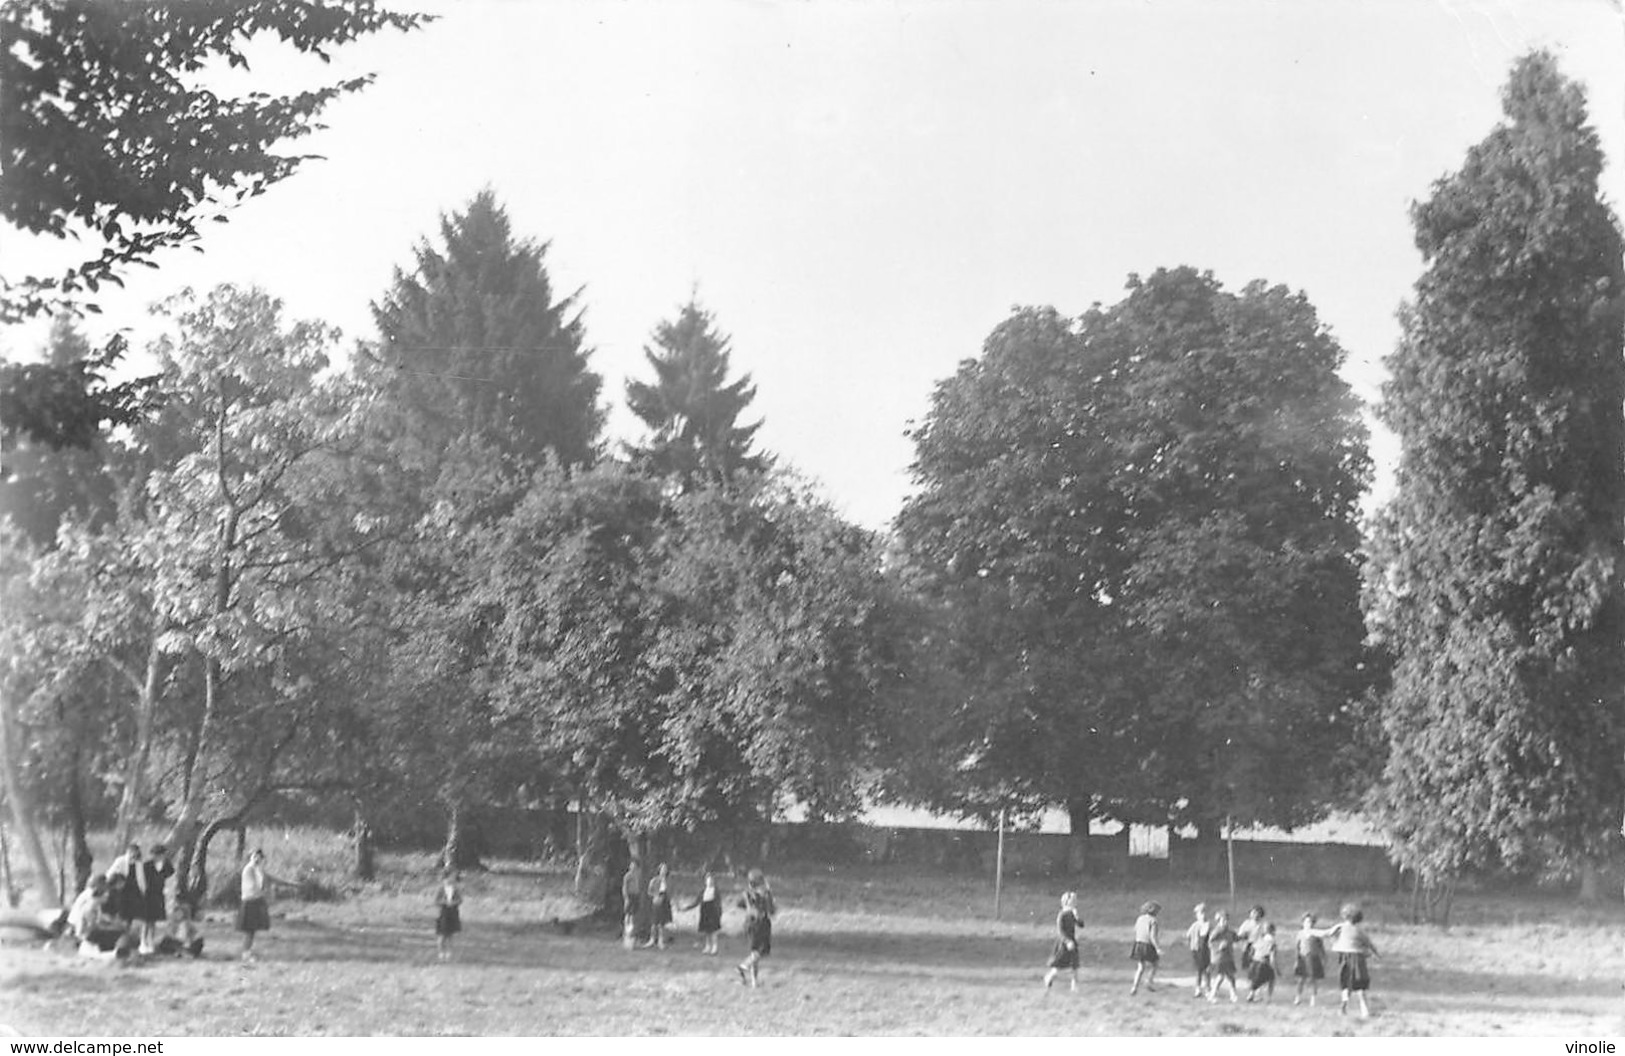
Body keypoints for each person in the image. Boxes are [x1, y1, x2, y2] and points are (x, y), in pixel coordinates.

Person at [1324, 903, 1379, 1018]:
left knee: (1346, 984)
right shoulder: (1359, 931)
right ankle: (1365, 1011)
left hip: (1344, 958)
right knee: (1361, 986)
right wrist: (1376, 954)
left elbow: (1328, 934)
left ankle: (1344, 1006)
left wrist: (1310, 931)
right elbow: (1369, 944)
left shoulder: (1340, 927)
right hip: (1358, 959)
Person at [237, 848, 291, 963]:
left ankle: (247, 952)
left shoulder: (258, 870)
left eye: (260, 857)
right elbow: (253, 887)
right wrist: (268, 892)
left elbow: (272, 879)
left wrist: (291, 884)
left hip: (256, 900)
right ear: (251, 857)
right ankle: (246, 954)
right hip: (249, 901)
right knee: (249, 930)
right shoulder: (249, 869)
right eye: (255, 856)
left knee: (252, 930)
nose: (257, 858)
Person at [736, 868, 775, 988]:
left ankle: (754, 982)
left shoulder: (746, 892)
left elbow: (739, 903)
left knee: (754, 952)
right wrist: (769, 894)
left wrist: (750, 908)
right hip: (761, 923)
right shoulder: (764, 894)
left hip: (749, 923)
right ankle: (744, 966)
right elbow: (771, 910)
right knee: (761, 951)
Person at [1043, 891, 1083, 991]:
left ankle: (1074, 986)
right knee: (1058, 966)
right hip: (1064, 944)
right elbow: (1060, 931)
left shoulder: (1072, 914)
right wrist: (1067, 941)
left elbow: (1081, 925)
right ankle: (1049, 977)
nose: (1074, 903)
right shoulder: (1062, 915)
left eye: (1075, 901)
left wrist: (1077, 917)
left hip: (1073, 942)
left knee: (1075, 965)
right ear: (1066, 902)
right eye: (1072, 901)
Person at [1206, 910, 1241, 1004]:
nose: (1225, 922)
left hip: (1228, 957)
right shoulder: (1217, 931)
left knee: (1231, 977)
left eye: (1226, 920)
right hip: (1219, 957)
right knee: (1221, 976)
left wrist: (1243, 935)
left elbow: (1236, 938)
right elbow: (1210, 943)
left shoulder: (1230, 931)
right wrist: (1219, 946)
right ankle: (1212, 994)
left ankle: (1233, 995)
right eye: (1223, 920)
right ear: (1218, 921)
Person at [1129, 900, 1161, 995]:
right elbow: (1153, 936)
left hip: (1138, 944)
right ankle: (1149, 982)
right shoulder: (1153, 921)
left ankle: (1134, 987)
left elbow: (1136, 929)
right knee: (1155, 964)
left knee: (1140, 967)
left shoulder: (1140, 918)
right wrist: (1157, 948)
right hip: (1148, 945)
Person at [1293, 913, 1326, 1006]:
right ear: (1303, 922)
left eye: (1311, 922)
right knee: (1301, 979)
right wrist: (1296, 960)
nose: (1309, 924)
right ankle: (1298, 997)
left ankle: (1313, 999)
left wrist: (1324, 959)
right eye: (1307, 921)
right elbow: (1297, 947)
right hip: (1302, 958)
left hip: (1313, 958)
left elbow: (1321, 948)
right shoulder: (1300, 934)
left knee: (1313, 979)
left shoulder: (1316, 934)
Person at [1185, 902, 1213, 998]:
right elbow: (1188, 935)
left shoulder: (1207, 924)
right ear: (1197, 915)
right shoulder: (1195, 925)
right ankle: (1198, 988)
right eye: (1200, 913)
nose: (1202, 915)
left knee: (1207, 970)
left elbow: (1205, 934)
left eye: (1204, 913)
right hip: (1197, 949)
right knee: (1199, 970)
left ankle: (1208, 988)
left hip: (1206, 949)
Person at [434, 868, 463, 961]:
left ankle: (449, 952)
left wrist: (454, 902)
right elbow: (436, 901)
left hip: (453, 913)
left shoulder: (455, 888)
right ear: (446, 878)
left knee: (450, 934)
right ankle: (441, 952)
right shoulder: (440, 889)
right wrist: (445, 902)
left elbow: (460, 900)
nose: (453, 878)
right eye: (452, 876)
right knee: (442, 935)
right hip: (443, 913)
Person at [1246, 922, 1278, 1002]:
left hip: (1255, 962)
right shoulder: (1272, 941)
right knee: (1271, 979)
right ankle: (1268, 997)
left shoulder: (1259, 939)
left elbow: (1251, 952)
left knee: (1256, 980)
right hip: (1264, 963)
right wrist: (1275, 968)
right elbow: (1272, 956)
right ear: (1273, 931)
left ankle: (1252, 994)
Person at [644, 862, 673, 949]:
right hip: (657, 901)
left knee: (662, 923)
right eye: (662, 869)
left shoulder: (668, 880)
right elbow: (649, 891)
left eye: (665, 869)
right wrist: (655, 895)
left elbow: (670, 891)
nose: (664, 871)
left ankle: (661, 941)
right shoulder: (654, 880)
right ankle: (652, 939)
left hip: (665, 901)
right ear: (659, 870)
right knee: (654, 922)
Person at [694, 871, 723, 956]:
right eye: (708, 880)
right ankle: (708, 946)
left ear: (713, 881)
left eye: (711, 880)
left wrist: (719, 912)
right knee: (707, 931)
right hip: (705, 911)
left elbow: (719, 902)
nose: (709, 882)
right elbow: (696, 902)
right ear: (705, 881)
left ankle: (715, 947)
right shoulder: (703, 891)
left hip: (713, 911)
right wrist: (685, 908)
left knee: (713, 931)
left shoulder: (715, 890)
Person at [1236, 903, 1267, 974]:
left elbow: (1264, 936)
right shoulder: (1246, 923)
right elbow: (1239, 935)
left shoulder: (1262, 925)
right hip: (1248, 945)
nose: (1254, 914)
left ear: (1260, 915)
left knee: (1256, 964)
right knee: (1246, 963)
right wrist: (1243, 936)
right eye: (1252, 912)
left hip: (1258, 946)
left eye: (1256, 913)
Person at [620, 858, 644, 949]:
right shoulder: (627, 876)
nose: (633, 867)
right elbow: (624, 888)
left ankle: (633, 937)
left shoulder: (638, 875)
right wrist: (626, 898)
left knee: (635, 916)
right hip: (630, 896)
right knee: (628, 915)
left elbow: (639, 887)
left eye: (634, 865)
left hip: (636, 896)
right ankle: (627, 934)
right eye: (631, 865)